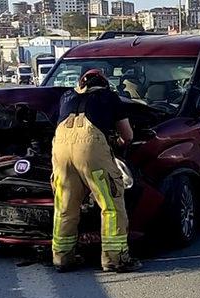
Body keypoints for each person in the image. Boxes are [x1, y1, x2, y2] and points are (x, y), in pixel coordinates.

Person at [52, 69, 141, 273]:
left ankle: (62, 257)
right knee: (111, 204)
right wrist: (117, 143)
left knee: (65, 206)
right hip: (91, 150)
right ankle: (115, 258)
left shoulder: (66, 97)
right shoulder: (109, 97)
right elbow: (127, 135)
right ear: (104, 83)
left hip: (61, 150)